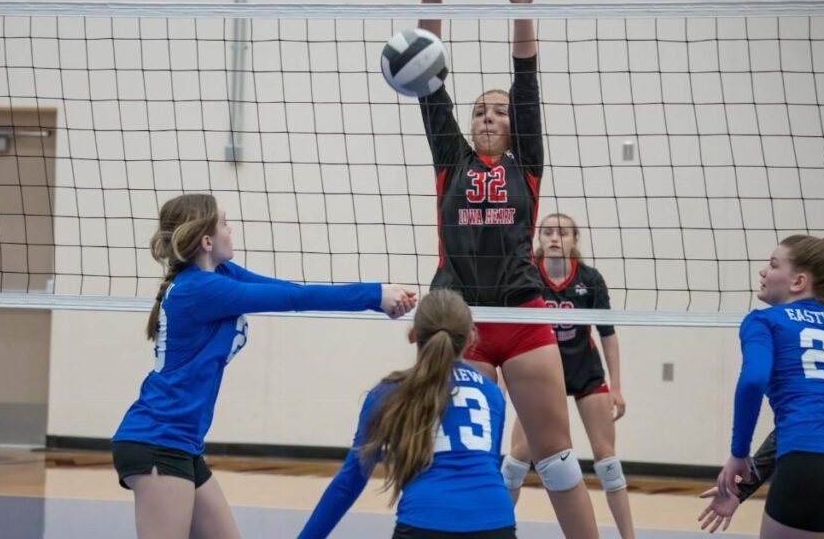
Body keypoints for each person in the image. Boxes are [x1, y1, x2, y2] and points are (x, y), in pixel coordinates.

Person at [413, 0, 598, 535]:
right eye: (479, 111)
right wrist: (431, 6)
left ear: (513, 125)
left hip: (520, 314)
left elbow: (527, 79)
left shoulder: (527, 165)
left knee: (557, 457)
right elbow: (427, 81)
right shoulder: (453, 161)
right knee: (462, 456)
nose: (488, 116)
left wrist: (523, 8)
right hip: (456, 318)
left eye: (497, 111)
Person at [111, 193, 417, 539]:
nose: (231, 229)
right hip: (158, 441)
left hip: (182, 444)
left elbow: (289, 290)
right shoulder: (200, 290)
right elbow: (294, 300)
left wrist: (377, 302)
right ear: (207, 240)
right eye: (224, 223)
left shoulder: (221, 274)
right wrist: (374, 293)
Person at [299, 289, 514, 539]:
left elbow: (349, 482)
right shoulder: (491, 393)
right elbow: (488, 465)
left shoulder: (388, 393)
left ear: (413, 335)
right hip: (496, 524)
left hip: (424, 522)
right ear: (471, 339)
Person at [717, 235, 824, 538]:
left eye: (773, 265)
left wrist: (739, 454)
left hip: (808, 465)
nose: (763, 272)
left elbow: (752, 381)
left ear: (799, 281)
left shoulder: (765, 321)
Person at [506, 213, 634, 537]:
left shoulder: (590, 279)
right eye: (547, 232)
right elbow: (508, 329)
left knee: (608, 465)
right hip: (541, 372)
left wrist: (616, 386)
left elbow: (608, 333)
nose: (553, 238)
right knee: (513, 467)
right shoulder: (526, 276)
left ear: (575, 240)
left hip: (584, 370)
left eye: (562, 233)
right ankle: (498, 531)